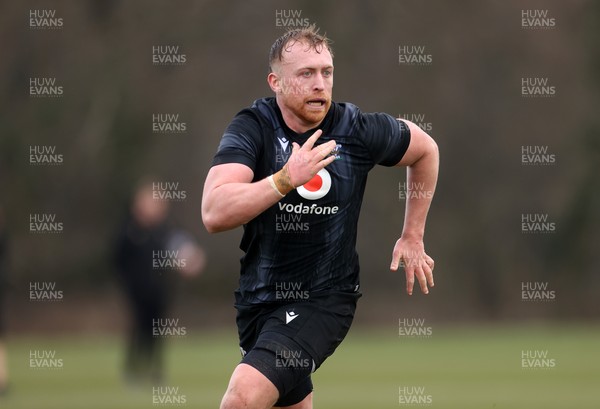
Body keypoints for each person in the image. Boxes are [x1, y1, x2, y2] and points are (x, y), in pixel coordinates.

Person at [202, 26, 438, 409]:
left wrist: (413, 234)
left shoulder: (355, 130)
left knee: (242, 398)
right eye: (306, 74)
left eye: (326, 72)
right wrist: (283, 180)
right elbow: (214, 212)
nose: (320, 84)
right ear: (275, 82)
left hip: (324, 299)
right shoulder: (253, 128)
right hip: (257, 301)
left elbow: (426, 150)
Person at [115, 182, 204, 384]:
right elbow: (118, 261)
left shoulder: (166, 230)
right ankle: (133, 369)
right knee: (139, 327)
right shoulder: (129, 231)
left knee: (159, 329)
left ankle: (156, 370)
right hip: (137, 292)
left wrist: (190, 261)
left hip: (160, 291)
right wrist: (129, 284)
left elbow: (180, 249)